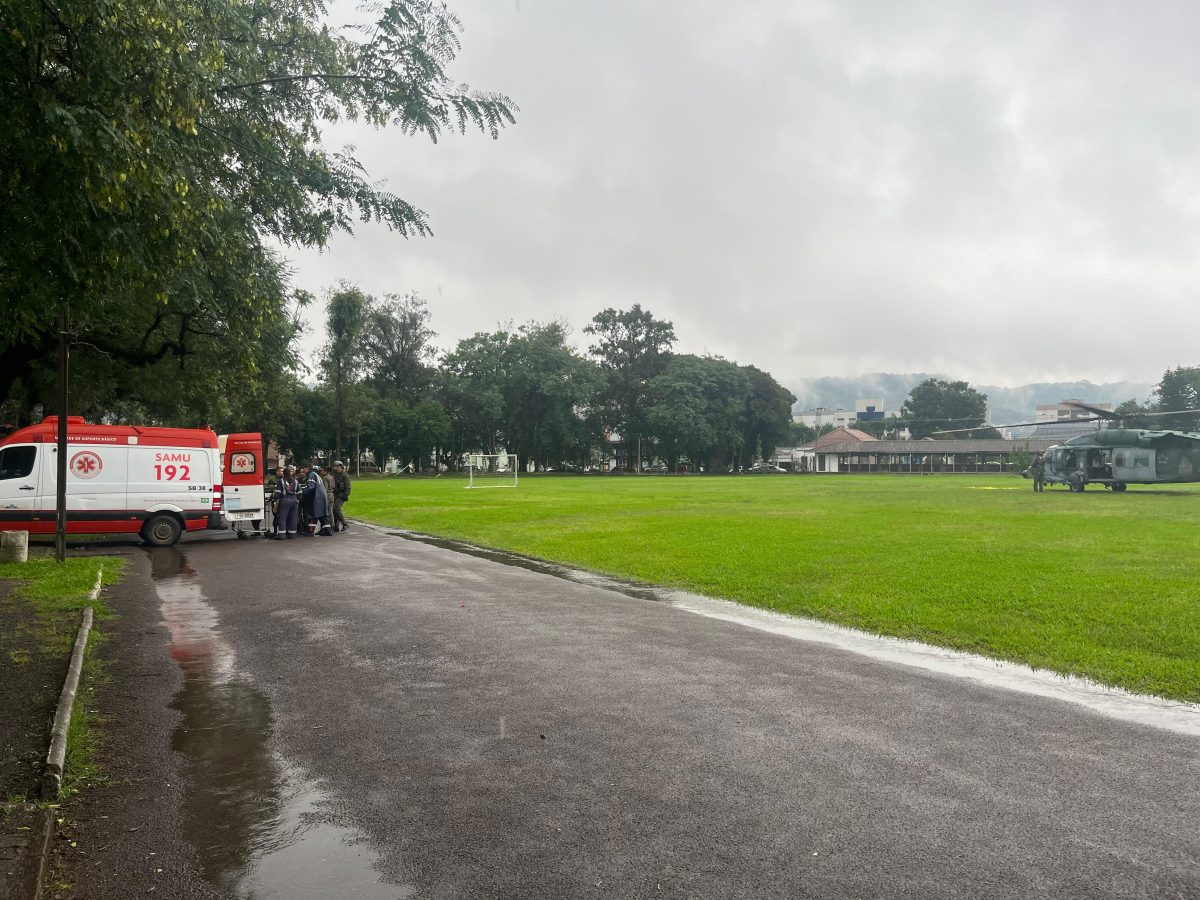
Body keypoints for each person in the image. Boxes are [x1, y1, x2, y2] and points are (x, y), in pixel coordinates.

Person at [303, 460, 332, 535]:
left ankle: (310, 531)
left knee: (314, 513)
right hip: (322, 496)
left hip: (317, 497)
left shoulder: (311, 475)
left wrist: (303, 492)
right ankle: (327, 530)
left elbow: (311, 487)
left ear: (308, 468)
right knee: (322, 514)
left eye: (304, 468)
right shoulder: (316, 474)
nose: (303, 470)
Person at [274, 466, 301, 538]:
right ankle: (292, 534)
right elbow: (299, 492)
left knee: (282, 518)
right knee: (293, 518)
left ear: (284, 473)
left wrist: (274, 498)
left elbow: (278, 493)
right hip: (294, 501)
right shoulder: (295, 481)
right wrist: (297, 499)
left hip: (285, 501)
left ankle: (282, 535)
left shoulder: (281, 481)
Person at [332, 460, 352, 532]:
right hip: (335, 494)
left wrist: (344, 495)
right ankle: (336, 526)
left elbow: (348, 487)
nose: (336, 468)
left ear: (341, 467)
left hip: (341, 495)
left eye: (338, 466)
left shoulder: (344, 476)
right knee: (334, 510)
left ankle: (345, 523)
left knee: (336, 509)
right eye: (335, 466)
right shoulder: (334, 474)